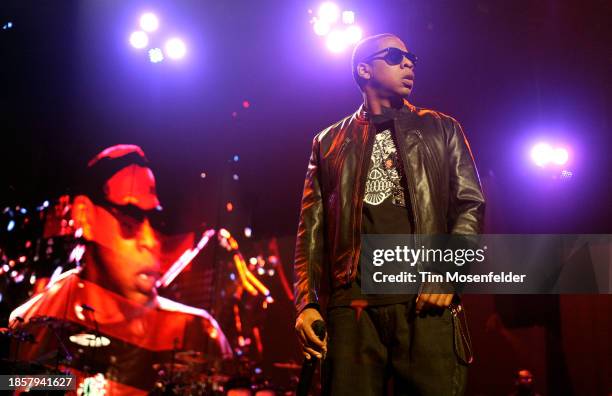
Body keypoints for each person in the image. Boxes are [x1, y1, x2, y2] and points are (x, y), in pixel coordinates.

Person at [293, 33, 485, 395]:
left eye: (411, 56)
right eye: (395, 56)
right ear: (364, 69)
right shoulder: (327, 142)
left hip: (424, 303)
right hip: (351, 311)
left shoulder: (442, 128)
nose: (409, 63)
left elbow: (470, 205)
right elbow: (310, 230)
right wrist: (306, 303)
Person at [9, 144, 231, 395]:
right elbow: (10, 383)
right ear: (86, 216)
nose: (150, 240)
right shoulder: (34, 322)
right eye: (131, 216)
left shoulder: (195, 331)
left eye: (155, 220)